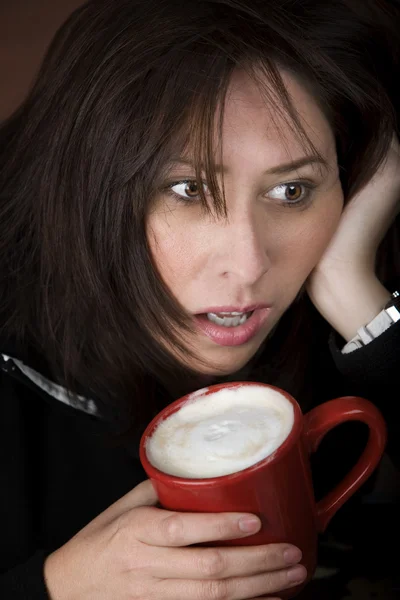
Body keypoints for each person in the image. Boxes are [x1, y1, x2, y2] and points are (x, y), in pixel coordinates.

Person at [0, 0, 399, 598]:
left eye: (293, 190)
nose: (248, 264)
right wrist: (54, 587)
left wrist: (361, 303)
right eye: (186, 188)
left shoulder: (346, 284)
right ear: (85, 181)